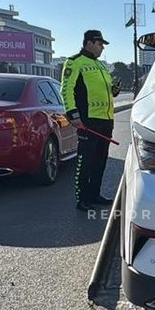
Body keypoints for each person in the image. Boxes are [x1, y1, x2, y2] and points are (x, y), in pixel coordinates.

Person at [62, 30, 121, 212]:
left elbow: (106, 91)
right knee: (85, 160)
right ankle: (82, 198)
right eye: (100, 44)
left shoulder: (101, 66)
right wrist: (73, 114)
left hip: (106, 119)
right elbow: (66, 89)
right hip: (88, 120)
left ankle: (95, 194)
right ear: (89, 43)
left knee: (100, 160)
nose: (102, 47)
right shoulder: (74, 62)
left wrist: (114, 90)